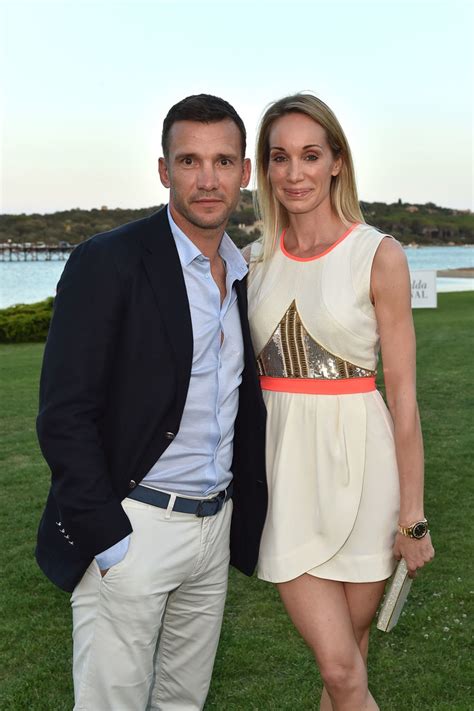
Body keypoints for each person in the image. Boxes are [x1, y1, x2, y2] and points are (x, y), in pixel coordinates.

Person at [35, 93, 267, 711]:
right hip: (135, 526)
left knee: (183, 702)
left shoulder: (243, 274)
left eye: (223, 161)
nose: (207, 179)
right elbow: (64, 413)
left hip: (212, 529)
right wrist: (109, 541)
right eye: (190, 161)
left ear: (245, 172)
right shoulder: (108, 261)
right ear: (164, 170)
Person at [246, 93, 434, 711]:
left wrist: (412, 518)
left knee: (348, 663)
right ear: (265, 168)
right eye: (279, 157)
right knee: (342, 670)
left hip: (366, 479)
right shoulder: (254, 262)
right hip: (284, 484)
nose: (294, 173)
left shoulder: (378, 255)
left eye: (309, 155)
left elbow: (403, 398)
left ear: (336, 163)